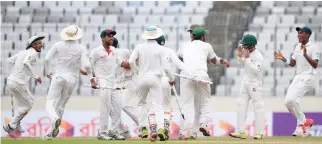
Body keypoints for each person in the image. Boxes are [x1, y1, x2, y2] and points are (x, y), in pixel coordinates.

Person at [43, 25, 96, 140]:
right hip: (72, 78)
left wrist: (48, 71)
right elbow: (86, 65)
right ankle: (50, 132)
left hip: (58, 77)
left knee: (49, 103)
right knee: (61, 105)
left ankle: (53, 121)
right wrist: (91, 78)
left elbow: (47, 59)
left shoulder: (58, 45)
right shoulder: (81, 48)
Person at [178, 27, 230, 140]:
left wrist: (190, 60)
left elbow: (179, 58)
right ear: (203, 37)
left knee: (186, 105)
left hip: (186, 75)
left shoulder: (184, 45)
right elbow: (213, 60)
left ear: (192, 35)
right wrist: (223, 61)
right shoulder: (206, 46)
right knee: (205, 101)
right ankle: (203, 124)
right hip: (201, 75)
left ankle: (183, 132)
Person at [125, 26, 175, 142]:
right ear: (157, 36)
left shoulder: (139, 47)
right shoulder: (160, 49)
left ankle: (143, 129)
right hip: (155, 79)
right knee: (158, 106)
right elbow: (166, 68)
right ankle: (161, 129)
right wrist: (171, 79)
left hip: (142, 78)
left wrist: (137, 71)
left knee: (142, 104)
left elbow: (131, 61)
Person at [274, 26, 319, 136]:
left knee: (293, 99)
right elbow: (293, 63)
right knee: (288, 102)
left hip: (309, 76)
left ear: (308, 35)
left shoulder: (314, 47)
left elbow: (315, 65)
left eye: (301, 33)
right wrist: (283, 58)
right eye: (298, 33)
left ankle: (300, 126)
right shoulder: (297, 46)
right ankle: (305, 124)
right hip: (298, 76)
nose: (299, 35)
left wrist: (306, 55)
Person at [3, 36, 45, 138]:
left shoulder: (22, 52)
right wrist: (36, 76)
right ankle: (11, 125)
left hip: (12, 81)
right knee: (28, 104)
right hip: (18, 82)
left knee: (24, 105)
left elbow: (9, 61)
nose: (41, 45)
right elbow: (26, 63)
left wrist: (12, 74)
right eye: (39, 43)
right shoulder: (32, 52)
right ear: (33, 45)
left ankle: (16, 124)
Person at [89, 29, 126, 140]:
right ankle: (102, 132)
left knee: (118, 107)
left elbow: (121, 63)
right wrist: (92, 80)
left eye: (112, 36)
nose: (111, 38)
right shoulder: (96, 51)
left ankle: (113, 131)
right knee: (105, 107)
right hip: (103, 81)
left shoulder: (114, 50)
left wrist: (134, 62)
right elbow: (88, 66)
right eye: (109, 36)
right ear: (103, 38)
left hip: (114, 82)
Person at [154, 34, 190, 140]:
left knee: (156, 107)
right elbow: (177, 63)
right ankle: (165, 128)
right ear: (163, 42)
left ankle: (156, 129)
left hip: (155, 81)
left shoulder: (152, 51)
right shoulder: (168, 51)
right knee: (166, 107)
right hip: (166, 80)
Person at [229, 34, 265, 139]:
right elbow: (240, 62)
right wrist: (240, 55)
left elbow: (256, 70)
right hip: (245, 82)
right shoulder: (246, 53)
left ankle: (259, 132)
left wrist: (248, 59)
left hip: (255, 83)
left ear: (250, 45)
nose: (243, 46)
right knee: (240, 105)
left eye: (245, 45)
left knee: (258, 106)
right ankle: (241, 131)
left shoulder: (258, 56)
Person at [177, 24, 201, 139]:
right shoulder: (184, 45)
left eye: (193, 32)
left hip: (199, 76)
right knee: (185, 105)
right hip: (186, 76)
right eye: (191, 32)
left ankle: (195, 132)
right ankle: (184, 131)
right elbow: (178, 58)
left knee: (197, 105)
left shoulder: (203, 46)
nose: (191, 34)